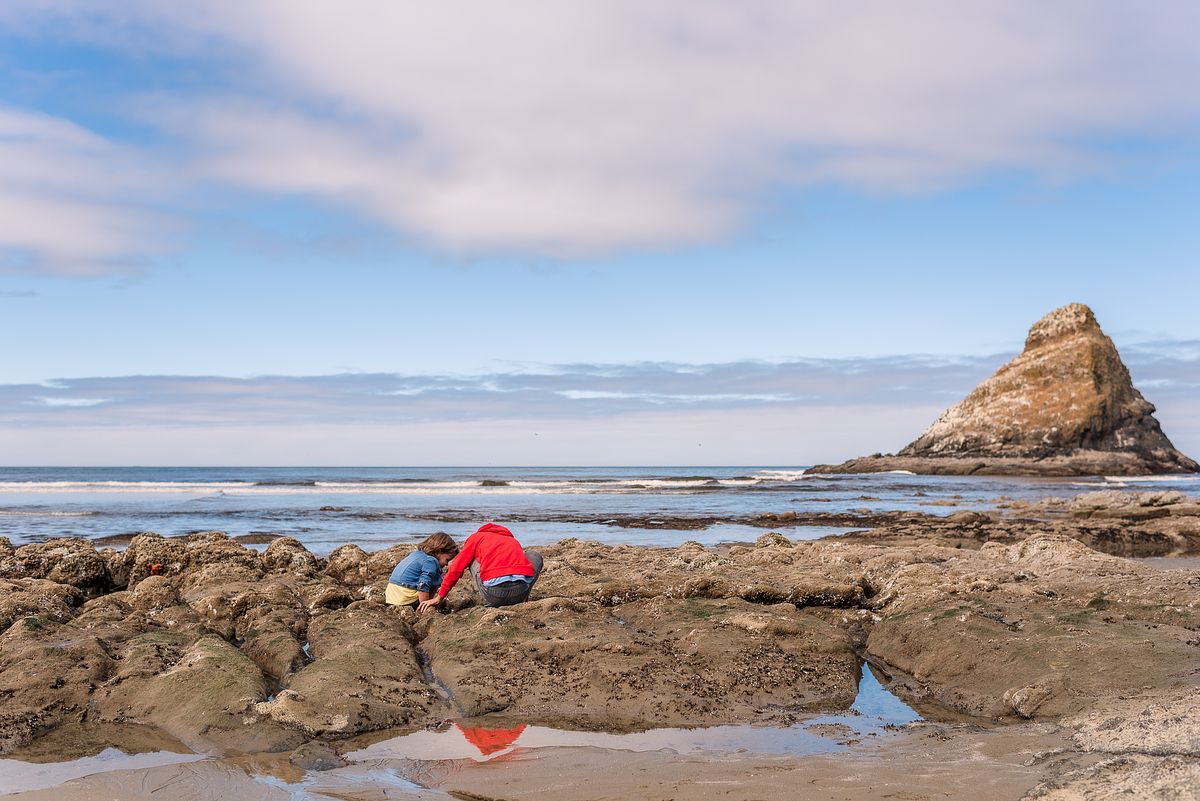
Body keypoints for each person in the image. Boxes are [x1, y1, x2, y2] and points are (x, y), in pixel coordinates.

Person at [418, 522, 542, 611]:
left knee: (470, 557)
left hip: (494, 595)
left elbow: (457, 567)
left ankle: (491, 599)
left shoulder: (476, 538)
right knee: (533, 555)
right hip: (520, 592)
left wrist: (440, 597)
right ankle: (525, 598)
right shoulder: (511, 540)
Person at [385, 532, 458, 609]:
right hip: (405, 597)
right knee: (437, 578)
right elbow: (423, 584)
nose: (446, 564)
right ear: (439, 551)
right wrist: (425, 604)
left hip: (391, 594)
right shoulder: (431, 561)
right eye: (447, 560)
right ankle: (425, 603)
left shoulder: (416, 554)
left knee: (436, 574)